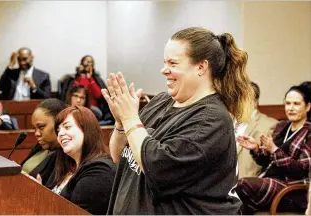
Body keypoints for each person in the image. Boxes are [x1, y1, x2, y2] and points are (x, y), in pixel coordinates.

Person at [103, 27, 254, 214]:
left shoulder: (210, 119)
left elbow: (157, 168)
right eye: (164, 62)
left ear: (201, 67)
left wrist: (130, 118)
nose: (164, 70)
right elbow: (120, 157)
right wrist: (120, 124)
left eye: (173, 63)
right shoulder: (161, 101)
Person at [236, 84, 311, 214]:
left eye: (296, 104)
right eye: (288, 103)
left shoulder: (308, 132)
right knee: (235, 200)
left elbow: (301, 169)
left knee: (242, 185)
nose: (291, 108)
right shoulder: (282, 126)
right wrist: (256, 149)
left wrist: (275, 150)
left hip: (290, 188)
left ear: (308, 106)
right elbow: (265, 160)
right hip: (269, 181)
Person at [39, 106, 116, 214]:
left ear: (87, 129)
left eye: (67, 127)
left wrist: (40, 200)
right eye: (58, 130)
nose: (60, 134)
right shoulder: (66, 165)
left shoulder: (100, 171)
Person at [236, 82, 278, 178]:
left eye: (242, 99)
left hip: (249, 182)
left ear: (255, 102)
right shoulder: (228, 121)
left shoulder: (270, 125)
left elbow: (267, 160)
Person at [21, 99, 68, 178]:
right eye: (35, 128)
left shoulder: (65, 158)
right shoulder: (40, 147)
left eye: (41, 127)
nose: (36, 134)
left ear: (59, 123)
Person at [74, 55, 114, 125]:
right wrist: (83, 77)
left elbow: (98, 95)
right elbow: (81, 92)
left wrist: (90, 78)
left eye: (90, 62)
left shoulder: (95, 79)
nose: (88, 64)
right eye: (87, 61)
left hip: (94, 108)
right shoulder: (76, 78)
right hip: (79, 107)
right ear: (82, 63)